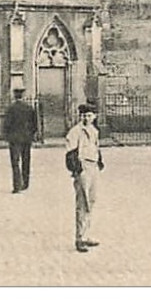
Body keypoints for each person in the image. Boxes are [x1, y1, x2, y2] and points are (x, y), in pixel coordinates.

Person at [64, 103, 104, 253]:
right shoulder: (75, 132)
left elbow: (96, 148)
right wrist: (77, 170)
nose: (87, 118)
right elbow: (70, 153)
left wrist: (99, 161)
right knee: (82, 202)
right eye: (84, 115)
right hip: (83, 167)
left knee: (91, 200)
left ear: (94, 116)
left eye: (89, 115)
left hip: (92, 167)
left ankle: (86, 234)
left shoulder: (94, 131)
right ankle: (79, 237)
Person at [2, 88, 39, 193]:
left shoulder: (11, 109)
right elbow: (35, 124)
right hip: (27, 138)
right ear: (23, 96)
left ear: (14, 96)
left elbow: (7, 125)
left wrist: (7, 136)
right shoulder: (29, 108)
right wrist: (31, 134)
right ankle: (25, 184)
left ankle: (17, 185)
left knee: (15, 162)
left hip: (14, 139)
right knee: (26, 161)